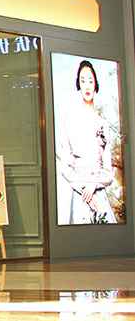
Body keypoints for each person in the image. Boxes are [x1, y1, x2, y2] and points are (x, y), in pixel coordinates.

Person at [56, 60, 117, 224]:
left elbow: (108, 171)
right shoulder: (69, 120)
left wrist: (93, 185)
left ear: (96, 84)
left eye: (90, 80)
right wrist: (84, 188)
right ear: (79, 85)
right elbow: (65, 164)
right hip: (79, 195)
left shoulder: (102, 123)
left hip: (99, 193)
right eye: (83, 81)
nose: (87, 85)